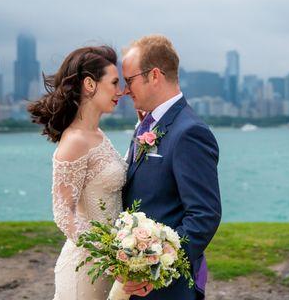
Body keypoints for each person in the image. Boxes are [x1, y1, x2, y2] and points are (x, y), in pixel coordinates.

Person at [120, 34, 222, 299]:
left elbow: (204, 215)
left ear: (154, 75)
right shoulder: (147, 124)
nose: (125, 89)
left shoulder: (189, 132)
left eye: (129, 80)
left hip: (168, 287)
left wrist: (158, 267)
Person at [28, 45, 127, 300]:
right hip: (85, 271)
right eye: (115, 83)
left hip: (110, 267)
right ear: (90, 84)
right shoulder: (75, 141)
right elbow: (64, 214)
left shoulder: (98, 135)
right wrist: (109, 252)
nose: (121, 91)